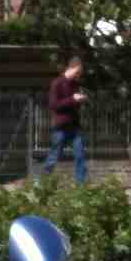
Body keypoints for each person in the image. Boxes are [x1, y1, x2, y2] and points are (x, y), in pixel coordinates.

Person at [43, 54, 88, 184]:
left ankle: (81, 186)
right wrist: (73, 99)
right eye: (78, 72)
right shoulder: (57, 83)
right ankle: (42, 184)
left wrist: (80, 100)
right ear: (72, 68)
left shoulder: (75, 84)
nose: (79, 75)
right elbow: (54, 105)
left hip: (74, 126)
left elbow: (73, 104)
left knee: (80, 156)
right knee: (53, 156)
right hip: (61, 127)